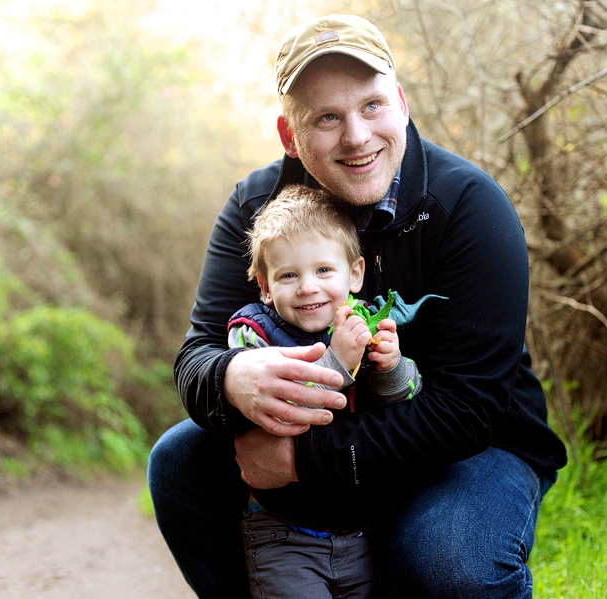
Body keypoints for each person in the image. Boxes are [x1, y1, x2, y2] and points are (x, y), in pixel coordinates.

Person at [147, 13, 567, 599]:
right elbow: (195, 359)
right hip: (329, 429)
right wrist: (231, 376)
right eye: (326, 117)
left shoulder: (469, 208)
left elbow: (469, 411)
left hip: (469, 448)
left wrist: (301, 460)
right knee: (179, 461)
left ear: (401, 103)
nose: (357, 136)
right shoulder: (255, 208)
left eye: (371, 106)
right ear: (289, 136)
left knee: (442, 564)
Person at [230, 183, 423, 598]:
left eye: (323, 271)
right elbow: (281, 409)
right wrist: (337, 360)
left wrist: (391, 367)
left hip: (362, 532)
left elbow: (406, 403)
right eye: (288, 275)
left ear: (354, 274)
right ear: (265, 287)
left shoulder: (362, 326)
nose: (307, 287)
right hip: (284, 533)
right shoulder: (253, 337)